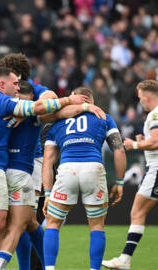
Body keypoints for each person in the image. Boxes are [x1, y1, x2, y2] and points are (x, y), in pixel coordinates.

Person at [0, 67, 89, 270]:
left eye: (18, 86)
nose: (16, 89)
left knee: (11, 225)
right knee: (19, 225)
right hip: (19, 173)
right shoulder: (22, 109)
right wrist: (81, 105)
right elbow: (53, 112)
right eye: (14, 84)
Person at [102, 80, 158, 270]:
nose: (140, 102)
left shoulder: (156, 114)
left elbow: (157, 142)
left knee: (137, 212)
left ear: (148, 96)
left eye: (141, 98)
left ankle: (125, 260)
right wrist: (145, 141)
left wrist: (134, 145)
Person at [42, 87, 126, 270]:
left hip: (67, 169)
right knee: (96, 226)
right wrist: (119, 182)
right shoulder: (103, 117)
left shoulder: (57, 122)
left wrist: (48, 193)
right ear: (91, 102)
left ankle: (49, 268)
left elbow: (47, 162)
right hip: (93, 168)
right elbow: (119, 150)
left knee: (53, 223)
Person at [0, 52, 58, 270]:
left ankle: (41, 267)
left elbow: (50, 97)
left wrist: (26, 111)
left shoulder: (33, 89)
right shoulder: (2, 90)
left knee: (25, 221)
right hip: (6, 161)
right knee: (14, 222)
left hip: (31, 160)